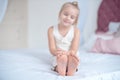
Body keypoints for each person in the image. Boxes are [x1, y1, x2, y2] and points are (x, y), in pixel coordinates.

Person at [47, 1, 80, 76]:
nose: (68, 18)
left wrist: (68, 54)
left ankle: (72, 67)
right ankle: (60, 68)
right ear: (59, 14)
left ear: (75, 20)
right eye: (65, 14)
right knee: (57, 60)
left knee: (73, 58)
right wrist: (58, 53)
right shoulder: (51, 30)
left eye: (72, 17)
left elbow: (74, 49)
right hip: (58, 54)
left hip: (71, 54)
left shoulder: (76, 31)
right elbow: (52, 49)